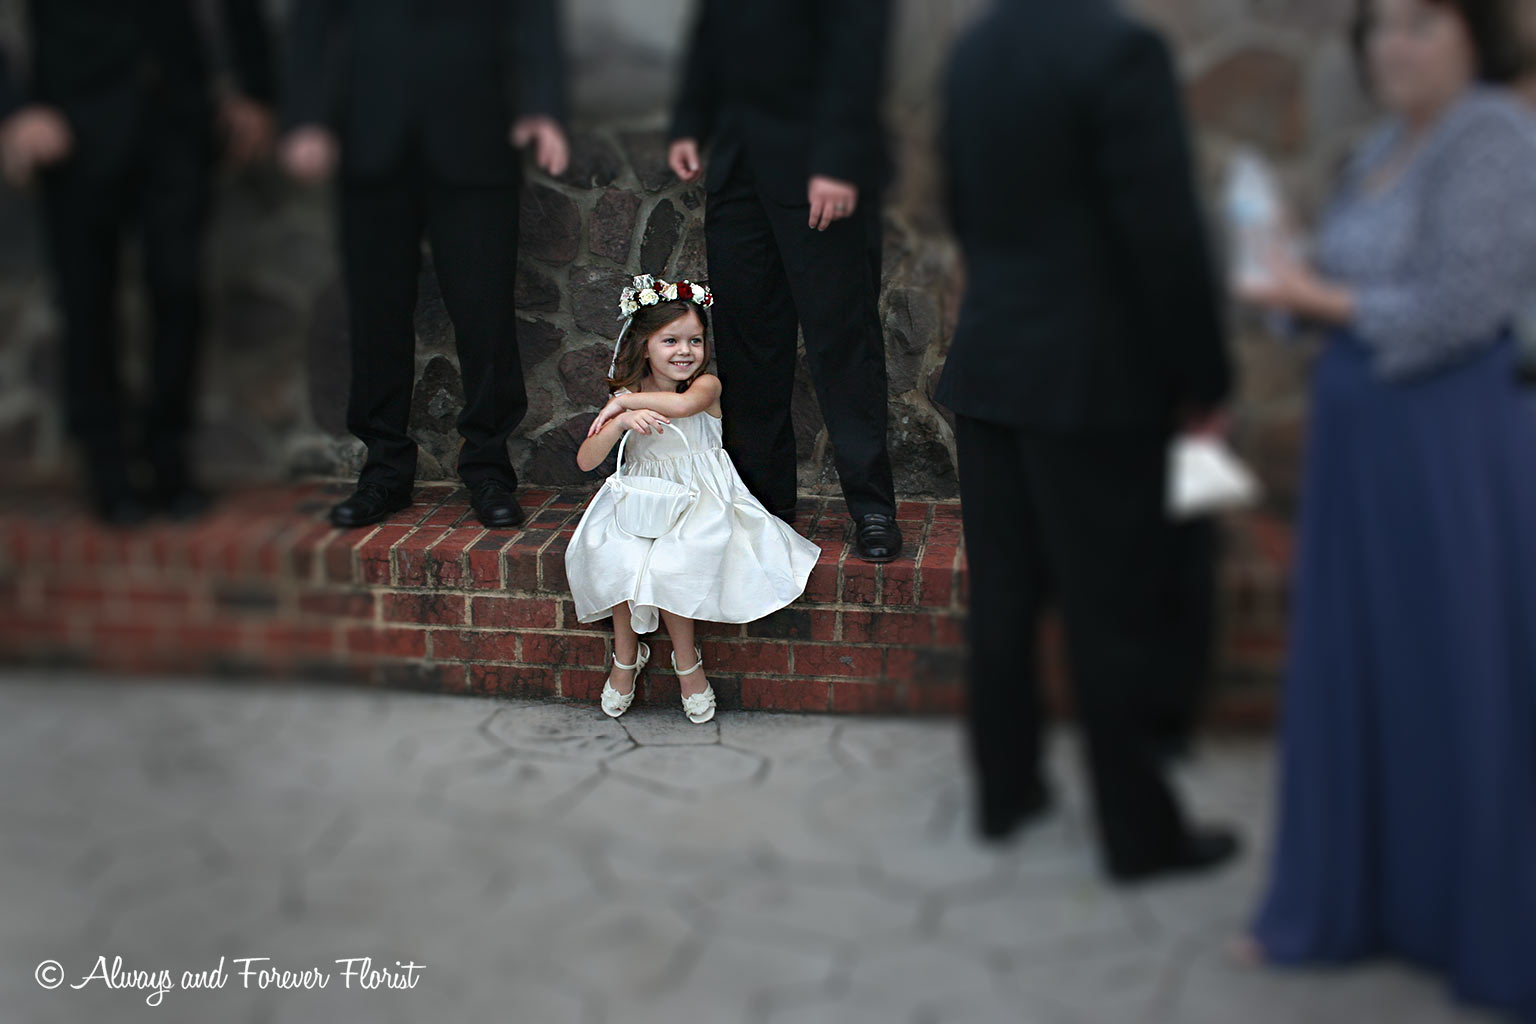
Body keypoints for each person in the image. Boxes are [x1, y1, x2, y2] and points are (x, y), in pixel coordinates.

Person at [1234, 1, 1536, 1018]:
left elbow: (1464, 304)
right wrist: (1277, 275)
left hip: (1448, 446)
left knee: (1455, 665)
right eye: (1383, 26)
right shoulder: (1375, 150)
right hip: (1365, 455)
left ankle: (1476, 927)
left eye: (1422, 22)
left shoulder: (1495, 133)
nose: (1396, 44)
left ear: (1474, 36)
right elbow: (1332, 286)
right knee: (1363, 665)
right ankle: (1354, 906)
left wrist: (1314, 301)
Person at [936, 0, 1239, 882]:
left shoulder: (976, 50)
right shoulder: (1122, 50)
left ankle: (1006, 790)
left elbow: (959, 203)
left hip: (992, 363)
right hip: (1094, 381)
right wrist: (1204, 379)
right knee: (1116, 614)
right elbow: (1166, 233)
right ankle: (1139, 836)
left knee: (1003, 601)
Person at [281, 0, 570, 530]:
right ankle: (384, 472)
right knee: (375, 315)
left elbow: (531, 16)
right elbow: (313, 24)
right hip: (369, 137)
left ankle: (489, 470)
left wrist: (542, 104)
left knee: (485, 312)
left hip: (477, 133)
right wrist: (306, 118)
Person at [0, 0, 275, 524]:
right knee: (86, 301)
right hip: (72, 126)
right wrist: (13, 109)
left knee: (179, 289)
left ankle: (168, 462)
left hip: (176, 116)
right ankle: (108, 471)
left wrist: (255, 87)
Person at [665, 0, 904, 564]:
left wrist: (841, 158)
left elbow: (859, 41)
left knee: (842, 340)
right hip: (736, 165)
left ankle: (872, 506)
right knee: (748, 340)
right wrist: (690, 121)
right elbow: (712, 27)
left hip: (820, 166)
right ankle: (761, 501)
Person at [566, 275, 821, 724]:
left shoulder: (706, 387)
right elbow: (588, 461)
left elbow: (681, 410)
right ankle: (626, 657)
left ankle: (688, 664)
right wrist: (621, 419)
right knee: (618, 558)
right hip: (643, 501)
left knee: (672, 565)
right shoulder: (628, 397)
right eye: (670, 340)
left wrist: (621, 404)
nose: (685, 351)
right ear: (644, 345)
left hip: (702, 498)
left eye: (695, 340)